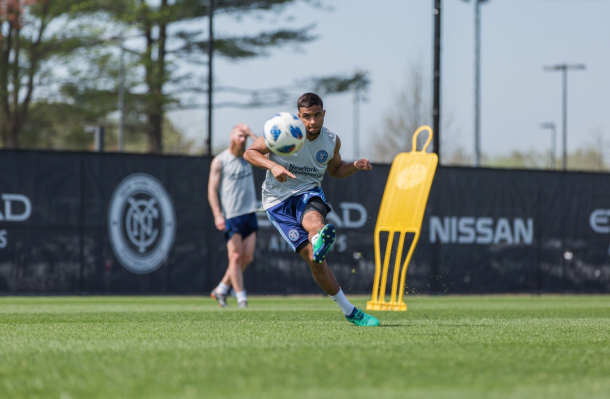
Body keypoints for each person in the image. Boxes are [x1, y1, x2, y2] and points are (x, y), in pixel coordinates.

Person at [244, 93, 380, 326]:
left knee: (315, 219)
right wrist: (272, 164)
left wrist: (355, 166)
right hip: (277, 201)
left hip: (308, 192)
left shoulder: (331, 140)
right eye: (307, 117)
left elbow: (336, 169)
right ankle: (348, 310)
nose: (313, 122)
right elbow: (250, 152)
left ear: (324, 114)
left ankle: (319, 238)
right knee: (314, 261)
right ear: (299, 116)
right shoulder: (285, 131)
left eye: (317, 115)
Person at [208, 123, 259, 308]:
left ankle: (221, 288)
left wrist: (252, 133)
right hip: (231, 215)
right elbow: (212, 190)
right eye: (240, 135)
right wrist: (217, 215)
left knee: (247, 258)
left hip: (249, 213)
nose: (242, 139)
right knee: (235, 257)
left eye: (244, 137)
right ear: (231, 135)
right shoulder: (220, 160)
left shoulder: (250, 156)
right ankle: (241, 298)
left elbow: (269, 155)